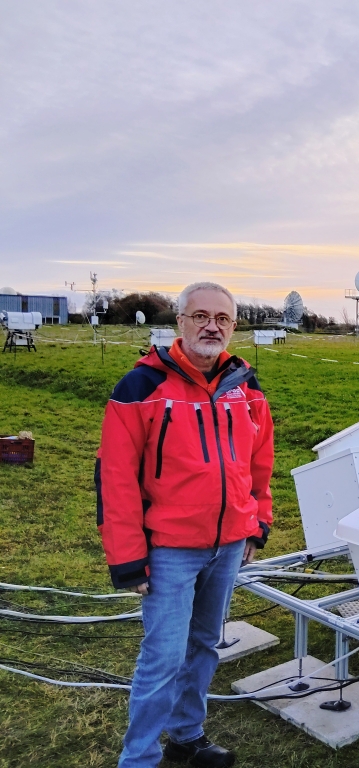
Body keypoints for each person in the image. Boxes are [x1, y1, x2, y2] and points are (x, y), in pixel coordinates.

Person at [96, 282, 274, 768]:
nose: (211, 327)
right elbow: (115, 476)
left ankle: (186, 737)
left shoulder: (246, 386)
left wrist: (257, 522)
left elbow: (259, 463)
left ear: (233, 326)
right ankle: (139, 758)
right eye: (200, 316)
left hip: (228, 544)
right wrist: (127, 556)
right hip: (169, 548)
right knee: (164, 657)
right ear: (180, 322)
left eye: (222, 318)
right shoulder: (141, 387)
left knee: (205, 645)